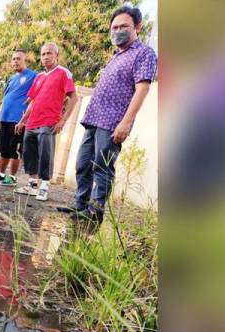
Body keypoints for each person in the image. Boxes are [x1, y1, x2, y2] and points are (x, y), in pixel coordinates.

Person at [67, 6, 157, 222]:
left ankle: (95, 212)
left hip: (112, 122)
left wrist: (126, 123)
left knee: (102, 167)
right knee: (82, 165)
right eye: (114, 27)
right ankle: (80, 206)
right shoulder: (116, 56)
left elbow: (142, 88)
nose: (118, 30)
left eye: (123, 26)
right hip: (93, 119)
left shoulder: (144, 53)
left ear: (137, 27)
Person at [14, 42, 78, 201]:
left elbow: (74, 97)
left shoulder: (63, 73)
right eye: (43, 54)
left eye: (49, 53)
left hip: (49, 122)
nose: (46, 57)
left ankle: (44, 186)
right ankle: (32, 185)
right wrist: (22, 121)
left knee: (45, 154)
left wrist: (63, 120)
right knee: (29, 153)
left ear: (57, 55)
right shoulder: (39, 77)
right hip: (32, 123)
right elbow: (33, 102)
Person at [0, 50, 37, 186]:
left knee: (15, 150)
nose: (15, 61)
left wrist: (26, 119)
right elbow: (4, 99)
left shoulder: (33, 76)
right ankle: (1, 175)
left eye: (18, 59)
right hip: (5, 119)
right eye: (13, 59)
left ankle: (12, 178)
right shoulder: (11, 78)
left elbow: (36, 96)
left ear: (25, 60)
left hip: (18, 121)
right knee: (4, 149)